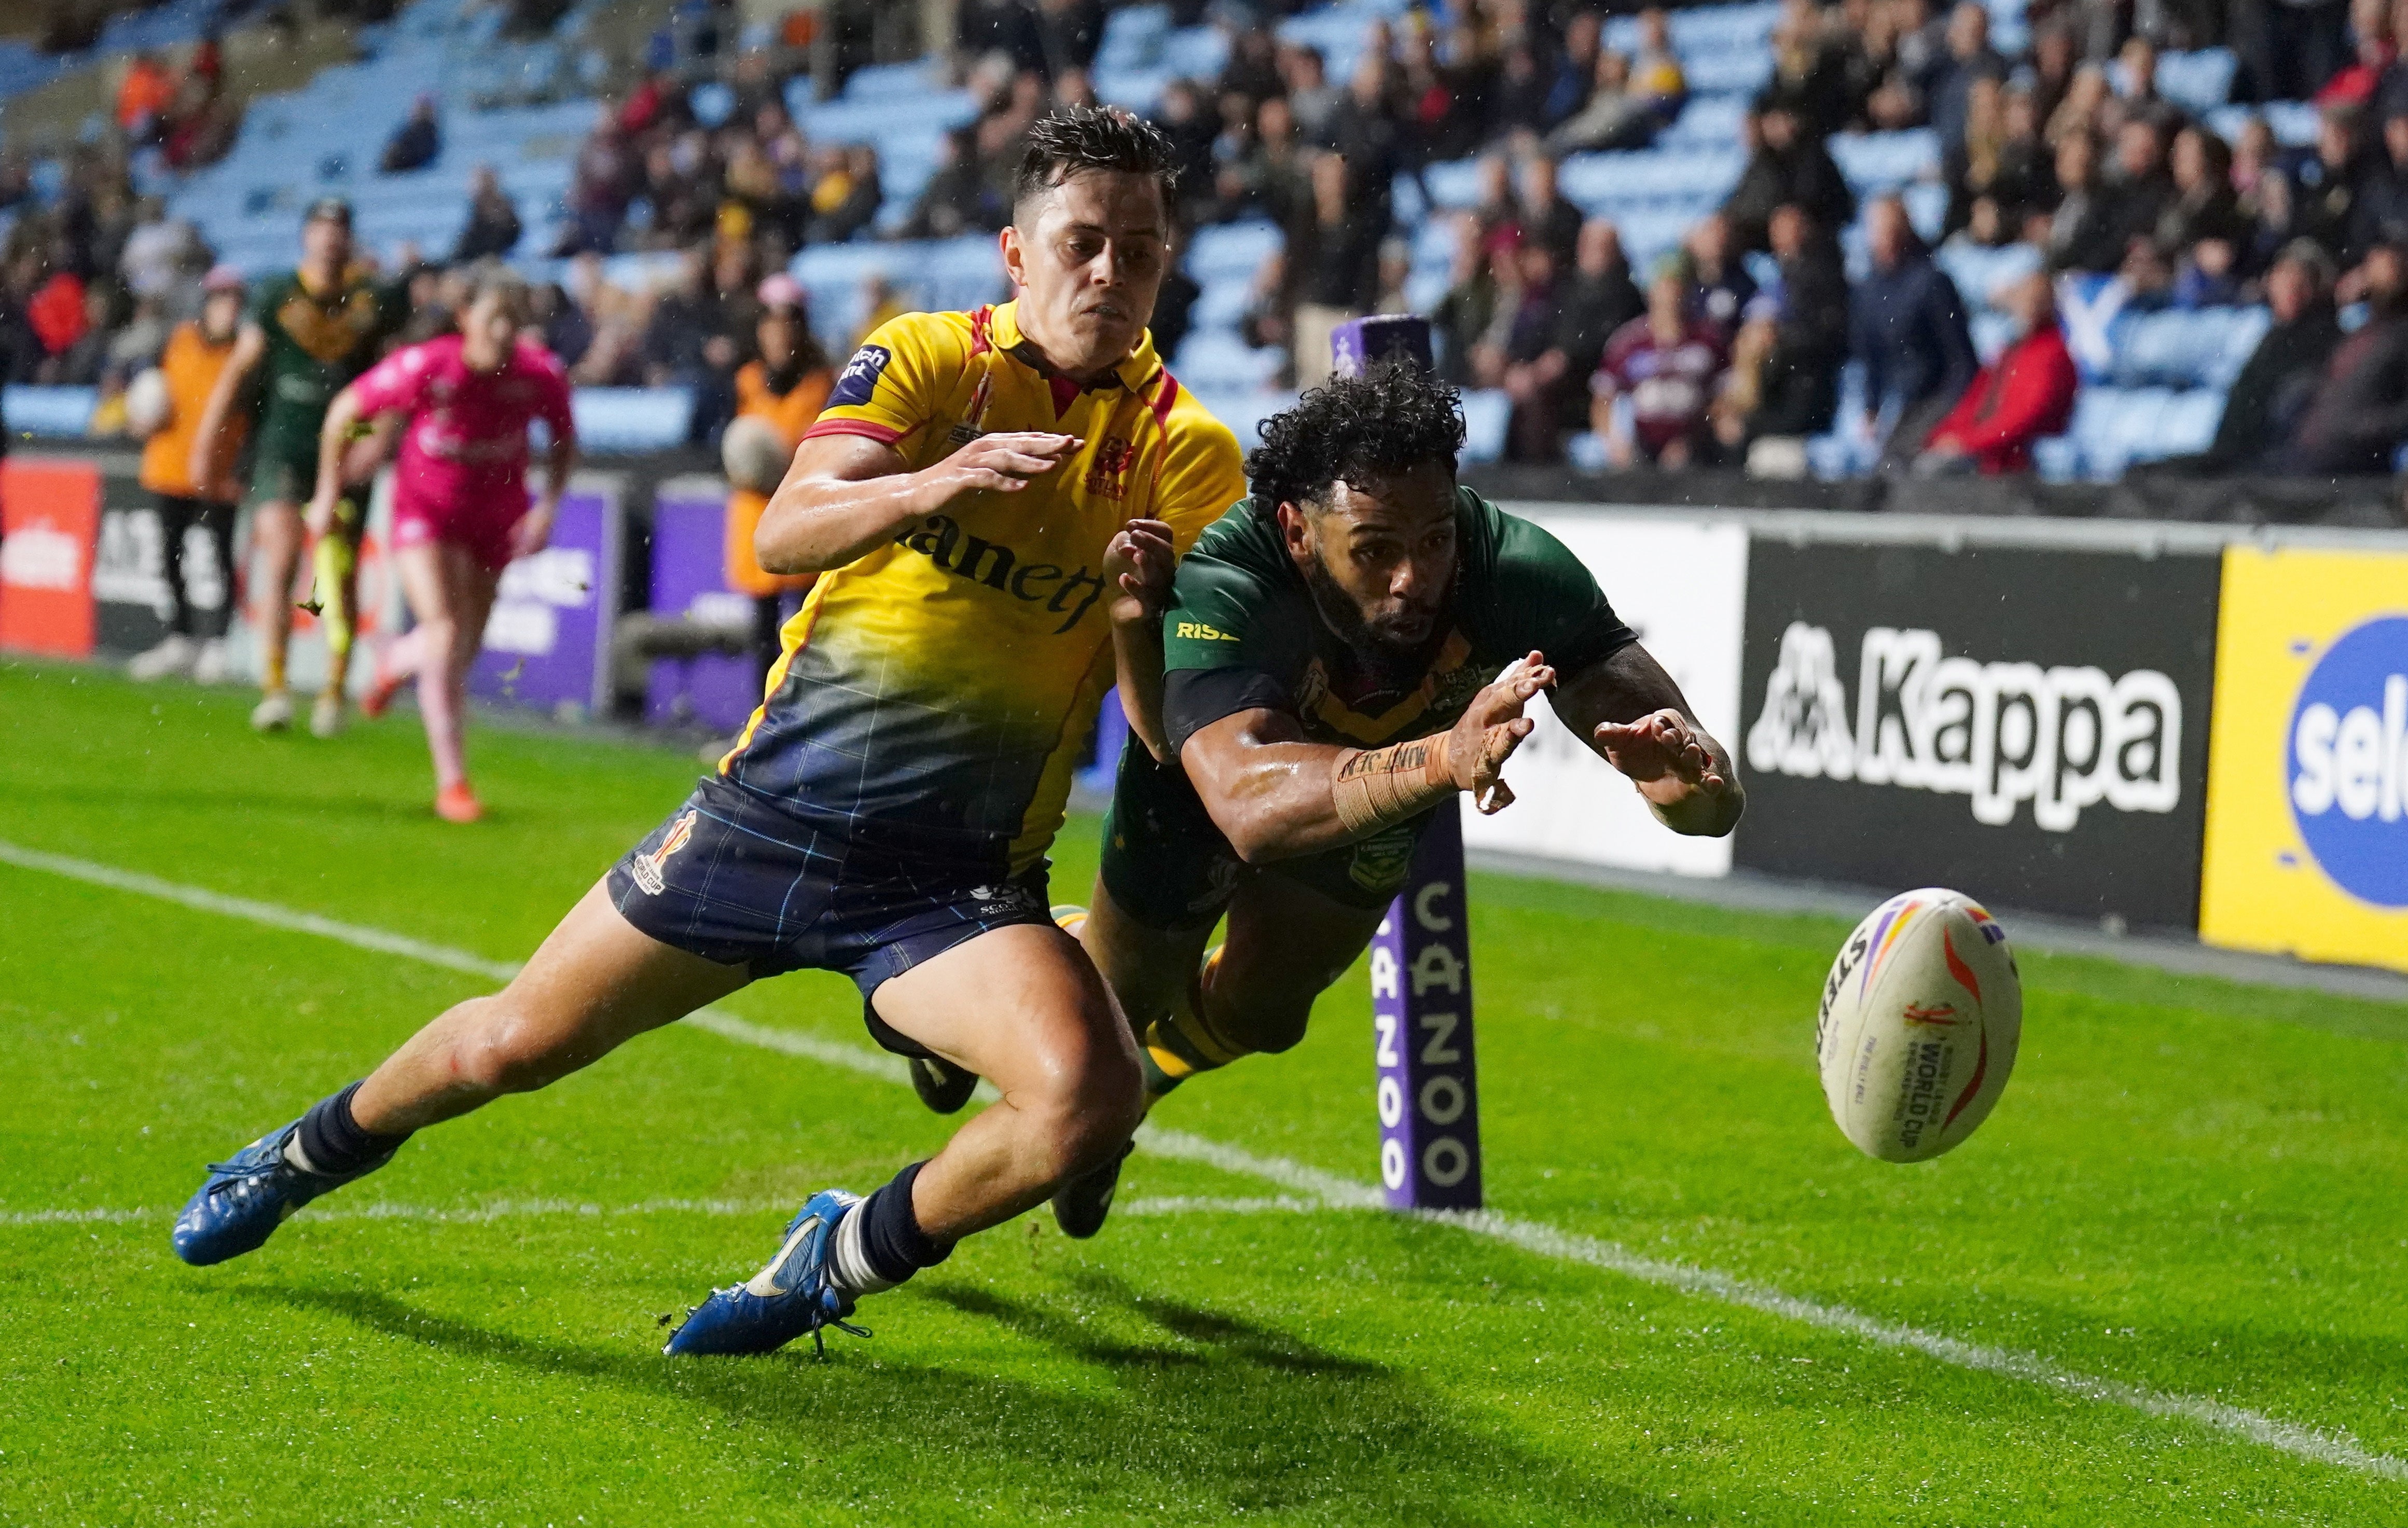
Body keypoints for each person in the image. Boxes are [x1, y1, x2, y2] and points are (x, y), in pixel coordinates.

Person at [171, 107, 1250, 1360]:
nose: (1111, 272)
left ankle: (833, 1254)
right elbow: (780, 537)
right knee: (517, 1041)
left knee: (1093, 1100)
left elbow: (1154, 716)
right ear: (1018, 253)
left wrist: (1135, 615)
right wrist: (932, 482)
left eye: (1140, 247)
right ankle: (299, 1150)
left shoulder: (1188, 452)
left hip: (949, 882)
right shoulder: (928, 360)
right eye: (1083, 242)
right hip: (767, 817)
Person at [1018, 362, 1741, 1238]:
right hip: (1203, 787)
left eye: (1434, 538)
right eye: (1373, 550)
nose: (1414, 578)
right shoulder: (1229, 576)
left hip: (1379, 792)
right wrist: (1443, 757)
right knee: (1100, 1040)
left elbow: (1706, 801)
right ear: (1294, 530)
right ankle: (1053, 1003)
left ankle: (1140, 1082)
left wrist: (1691, 788)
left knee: (1264, 1014)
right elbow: (1247, 808)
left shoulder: (1513, 568)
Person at [312, 269, 577, 822]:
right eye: (491, 319)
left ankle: (395, 660)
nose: (502, 332)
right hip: (425, 511)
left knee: (461, 649)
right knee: (443, 631)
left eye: (512, 320)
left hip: (495, 517)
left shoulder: (539, 375)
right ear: (465, 320)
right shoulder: (429, 365)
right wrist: (326, 493)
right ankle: (452, 783)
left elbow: (565, 441)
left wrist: (548, 508)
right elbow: (344, 412)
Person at [189, 198, 408, 738]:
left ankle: (334, 690)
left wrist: (378, 442)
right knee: (284, 556)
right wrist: (205, 441)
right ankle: (276, 686)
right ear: (306, 236)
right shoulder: (275, 295)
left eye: (340, 229)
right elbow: (241, 367)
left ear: (350, 239)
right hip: (284, 445)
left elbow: (397, 379)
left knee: (341, 569)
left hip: (347, 451)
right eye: (321, 228)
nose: (330, 239)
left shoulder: (371, 303)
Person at [129, 266, 249, 685]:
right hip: (171, 466)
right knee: (168, 554)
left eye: (234, 300)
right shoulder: (178, 340)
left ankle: (218, 642)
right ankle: (180, 637)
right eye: (221, 299)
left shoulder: (245, 352)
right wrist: (140, 416)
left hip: (219, 473)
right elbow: (147, 390)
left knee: (220, 558)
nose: (228, 309)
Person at [725, 274, 834, 694]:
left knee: (809, 631)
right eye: (771, 326)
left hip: (806, 512)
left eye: (789, 326)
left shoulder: (824, 384)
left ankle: (802, 719)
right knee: (762, 633)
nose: (780, 337)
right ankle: (759, 721)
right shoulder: (746, 381)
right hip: (757, 514)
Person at [1850, 194, 1978, 466]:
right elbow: (1872, 355)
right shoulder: (1868, 290)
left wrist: (1952, 412)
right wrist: (1871, 407)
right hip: (1901, 401)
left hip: (1934, 397)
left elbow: (1961, 358)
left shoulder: (1932, 283)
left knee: (1901, 460)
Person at [1912, 272, 2078, 475]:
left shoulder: (2053, 354)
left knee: (1933, 471)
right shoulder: (2011, 351)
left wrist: (1969, 442)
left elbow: (2025, 418)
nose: (2028, 307)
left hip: (2011, 455)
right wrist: (1944, 436)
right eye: (2024, 300)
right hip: (1986, 448)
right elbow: (1976, 401)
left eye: (2036, 301)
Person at [1592, 259, 1729, 469]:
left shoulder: (1709, 340)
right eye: (1664, 288)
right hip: (1640, 440)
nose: (1671, 297)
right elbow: (1603, 398)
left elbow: (1723, 397)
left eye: (1677, 288)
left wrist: (1696, 435)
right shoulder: (1629, 341)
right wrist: (1614, 441)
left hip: (1693, 440)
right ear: (1651, 292)